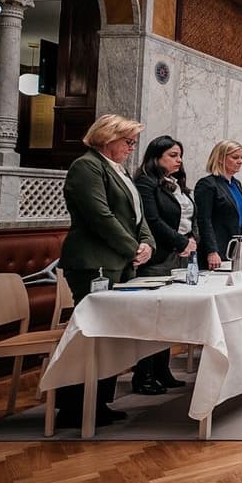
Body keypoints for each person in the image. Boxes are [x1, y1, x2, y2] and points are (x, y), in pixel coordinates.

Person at [56, 114, 155, 427]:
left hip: (120, 262)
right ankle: (74, 406)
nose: (131, 147)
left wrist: (146, 243)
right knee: (90, 333)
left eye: (133, 142)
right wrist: (131, 248)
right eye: (127, 141)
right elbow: (100, 215)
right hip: (93, 263)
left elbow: (138, 216)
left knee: (111, 334)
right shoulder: (87, 166)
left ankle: (100, 402)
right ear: (105, 138)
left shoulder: (120, 170)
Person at [132, 135, 196, 394]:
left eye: (180, 155)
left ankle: (162, 368)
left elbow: (190, 216)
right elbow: (153, 221)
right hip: (159, 256)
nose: (179, 160)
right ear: (156, 157)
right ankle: (143, 374)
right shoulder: (146, 183)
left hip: (180, 253)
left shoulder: (175, 184)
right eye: (172, 155)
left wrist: (192, 239)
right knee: (153, 317)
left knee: (170, 315)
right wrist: (181, 241)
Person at [194, 140, 242, 270]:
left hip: (235, 246)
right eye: (235, 157)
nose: (240, 161)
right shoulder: (207, 184)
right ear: (220, 159)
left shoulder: (237, 184)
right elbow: (203, 220)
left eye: (241, 157)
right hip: (217, 247)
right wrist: (212, 251)